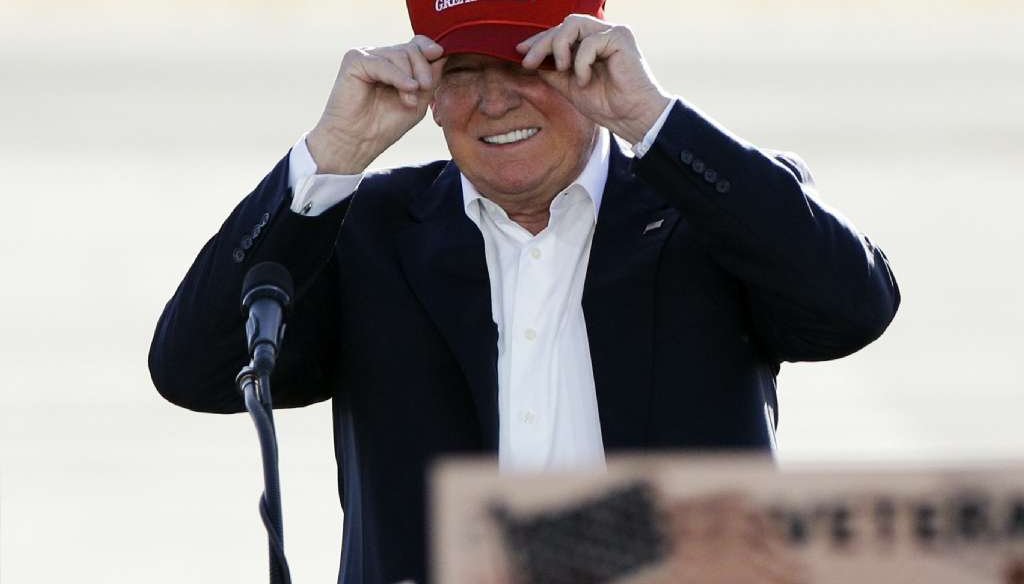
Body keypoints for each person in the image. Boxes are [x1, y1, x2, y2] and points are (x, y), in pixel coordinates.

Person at [148, 1, 900, 582]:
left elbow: (851, 307)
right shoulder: (369, 231)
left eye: (527, 63)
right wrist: (331, 155)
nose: (494, 101)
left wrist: (652, 119)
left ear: (589, 58)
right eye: (463, 73)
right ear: (429, 88)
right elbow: (194, 368)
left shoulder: (706, 210)